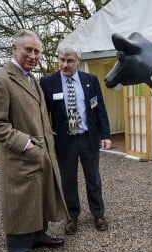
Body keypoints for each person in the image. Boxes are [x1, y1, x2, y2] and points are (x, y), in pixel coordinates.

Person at [0, 29, 69, 252]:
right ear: (14, 49)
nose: (32, 55)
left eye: (37, 51)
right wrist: (26, 144)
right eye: (27, 50)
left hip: (41, 152)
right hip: (21, 156)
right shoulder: (0, 79)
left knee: (38, 198)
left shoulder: (31, 78)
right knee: (21, 203)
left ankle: (38, 236)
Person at [40, 40, 111, 235]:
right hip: (64, 141)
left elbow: (99, 109)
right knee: (68, 181)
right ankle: (72, 216)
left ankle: (98, 213)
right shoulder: (48, 82)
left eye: (69, 61)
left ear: (78, 60)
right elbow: (42, 113)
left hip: (88, 138)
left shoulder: (91, 80)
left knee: (93, 179)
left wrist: (105, 134)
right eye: (61, 60)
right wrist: (46, 135)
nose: (64, 65)